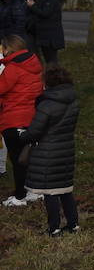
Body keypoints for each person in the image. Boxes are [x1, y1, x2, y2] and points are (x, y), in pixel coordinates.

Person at [17, 63, 80, 235]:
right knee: (65, 190)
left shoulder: (47, 105)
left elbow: (34, 133)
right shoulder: (73, 101)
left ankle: (54, 228)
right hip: (66, 150)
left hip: (48, 153)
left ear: (47, 82)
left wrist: (22, 134)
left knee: (50, 191)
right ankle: (73, 224)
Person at [0, 35, 45, 207]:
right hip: (31, 119)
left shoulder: (13, 68)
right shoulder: (34, 64)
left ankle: (20, 196)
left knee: (18, 159)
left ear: (8, 49)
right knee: (29, 157)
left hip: (13, 118)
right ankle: (33, 191)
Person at [24, 0, 63, 65]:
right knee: (43, 57)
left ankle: (54, 77)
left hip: (50, 36)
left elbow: (45, 13)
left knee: (51, 60)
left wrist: (32, 6)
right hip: (42, 33)